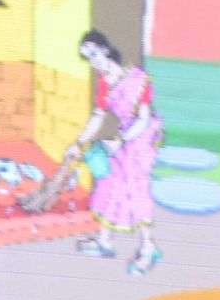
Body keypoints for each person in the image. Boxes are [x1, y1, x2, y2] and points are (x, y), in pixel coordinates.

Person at [61, 29, 163, 275]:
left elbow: (143, 119)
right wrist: (79, 143)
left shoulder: (137, 79)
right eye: (87, 57)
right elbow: (98, 117)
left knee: (134, 189)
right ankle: (104, 241)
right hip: (124, 136)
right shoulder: (104, 83)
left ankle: (148, 248)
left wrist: (120, 141)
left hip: (142, 138)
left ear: (105, 50)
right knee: (108, 182)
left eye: (94, 54)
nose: (92, 61)